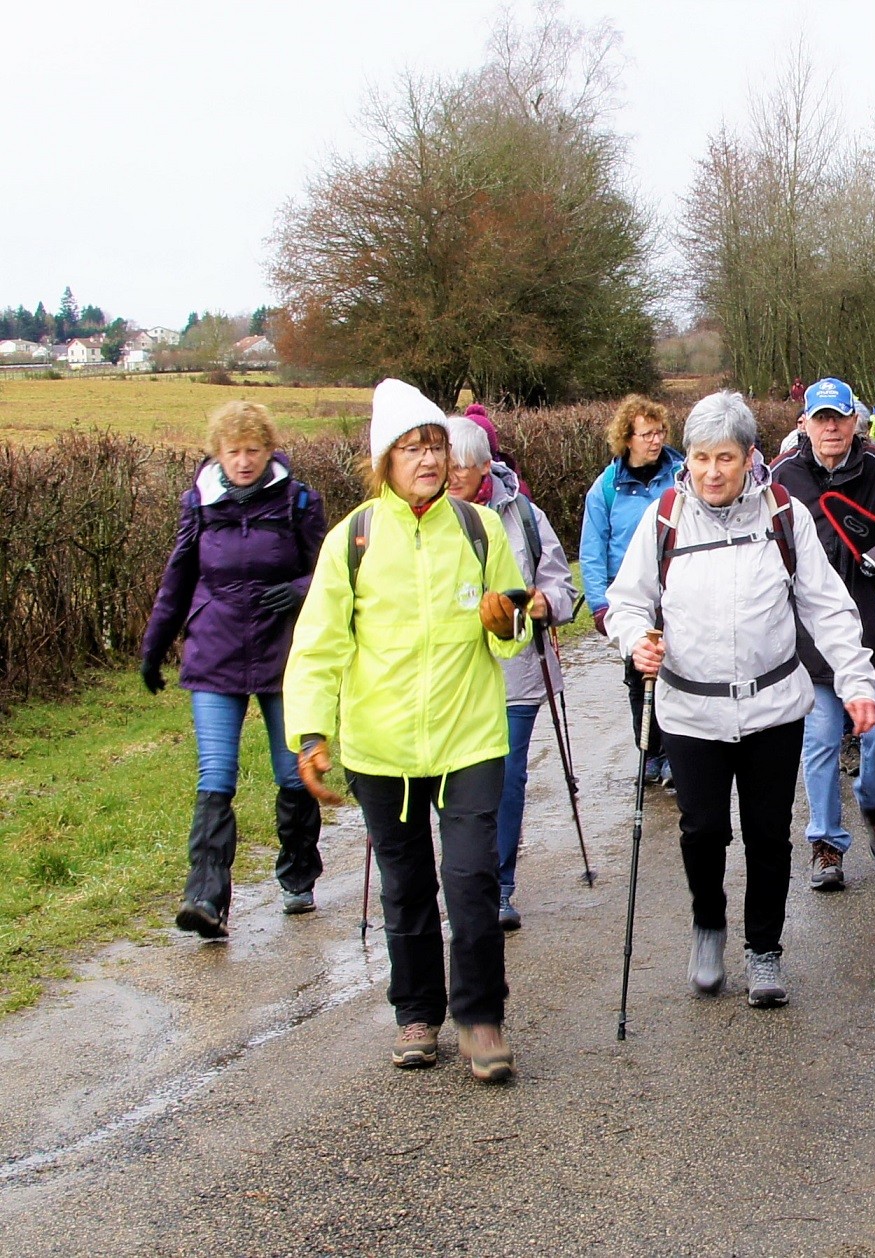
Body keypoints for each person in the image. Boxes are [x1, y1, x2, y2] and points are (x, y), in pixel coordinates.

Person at [284, 378, 532, 1082]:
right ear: (384, 460)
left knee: (472, 879)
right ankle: (416, 1014)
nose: (428, 459)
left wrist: (507, 619)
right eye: (412, 447)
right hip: (381, 745)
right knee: (406, 886)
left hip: (469, 738)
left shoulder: (479, 529)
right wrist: (310, 733)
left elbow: (514, 630)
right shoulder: (353, 539)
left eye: (435, 445)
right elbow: (320, 644)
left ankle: (481, 1022)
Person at [605, 391, 875, 1010]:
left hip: (773, 709)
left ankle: (764, 949)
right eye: (700, 458)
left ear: (750, 457)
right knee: (702, 831)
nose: (711, 472)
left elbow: (827, 605)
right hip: (690, 710)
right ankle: (708, 927)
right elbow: (627, 602)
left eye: (724, 458)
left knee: (766, 833)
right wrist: (633, 640)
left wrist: (857, 680)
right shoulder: (666, 517)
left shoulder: (783, 514)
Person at [141, 400, 328, 937]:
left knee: (291, 772)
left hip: (280, 653)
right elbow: (177, 580)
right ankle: (205, 898)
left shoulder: (297, 501)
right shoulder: (199, 505)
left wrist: (294, 590)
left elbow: (329, 573)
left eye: (252, 451)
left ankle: (297, 877)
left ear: (270, 451)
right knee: (215, 775)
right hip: (214, 650)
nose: (242, 462)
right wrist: (154, 649)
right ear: (215, 454)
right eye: (232, 452)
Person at [770, 376, 875, 890]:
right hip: (810, 642)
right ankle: (826, 843)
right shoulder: (781, 479)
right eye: (820, 418)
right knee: (820, 740)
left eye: (839, 417)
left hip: (872, 634)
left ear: (856, 421)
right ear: (805, 424)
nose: (830, 427)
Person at [447, 415, 580, 931]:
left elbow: (561, 586)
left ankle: (499, 885)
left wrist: (549, 603)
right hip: (452, 676)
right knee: (456, 782)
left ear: (485, 465)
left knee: (503, 779)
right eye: (446, 462)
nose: (450, 473)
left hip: (517, 670)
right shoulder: (425, 519)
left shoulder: (521, 513)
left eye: (462, 465)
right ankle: (463, 874)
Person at [580, 396, 686, 785]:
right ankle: (649, 752)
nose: (655, 440)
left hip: (675, 588)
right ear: (627, 438)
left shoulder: (680, 474)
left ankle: (676, 753)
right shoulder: (606, 488)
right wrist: (600, 605)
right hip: (629, 595)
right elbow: (592, 549)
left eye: (659, 432)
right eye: (646, 434)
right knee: (637, 673)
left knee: (676, 671)